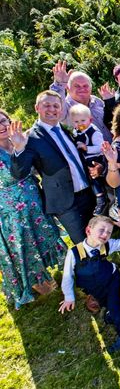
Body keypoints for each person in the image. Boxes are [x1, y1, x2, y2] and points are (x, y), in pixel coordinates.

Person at [0, 109, 66, 309]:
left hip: (35, 201)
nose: (2, 126)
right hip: (12, 212)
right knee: (25, 244)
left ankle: (50, 267)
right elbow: (8, 177)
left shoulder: (19, 140)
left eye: (4, 121)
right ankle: (37, 280)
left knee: (45, 235)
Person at [10, 90, 95, 243]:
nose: (52, 109)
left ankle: (102, 266)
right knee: (83, 245)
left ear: (61, 109)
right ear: (37, 108)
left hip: (88, 194)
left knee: (96, 238)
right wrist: (18, 149)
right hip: (65, 203)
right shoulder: (30, 138)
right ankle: (87, 266)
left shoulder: (66, 129)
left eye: (56, 106)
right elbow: (19, 173)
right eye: (46, 105)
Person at [59, 211, 120, 354]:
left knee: (115, 304)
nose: (105, 234)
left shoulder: (107, 245)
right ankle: (111, 313)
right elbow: (68, 276)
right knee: (104, 302)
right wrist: (69, 296)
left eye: (109, 232)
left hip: (111, 279)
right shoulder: (75, 252)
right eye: (101, 230)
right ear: (89, 230)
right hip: (92, 286)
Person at [50, 63, 111, 141]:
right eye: (77, 86)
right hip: (90, 152)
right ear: (68, 88)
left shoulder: (97, 101)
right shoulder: (65, 108)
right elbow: (54, 105)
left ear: (91, 88)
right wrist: (59, 84)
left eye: (85, 86)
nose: (82, 89)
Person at [69, 104, 107, 215]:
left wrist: (87, 148)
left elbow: (101, 147)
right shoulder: (78, 131)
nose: (80, 124)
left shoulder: (94, 132)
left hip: (95, 158)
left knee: (94, 178)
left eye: (82, 120)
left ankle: (101, 198)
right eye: (76, 122)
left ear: (90, 120)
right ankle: (95, 197)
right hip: (85, 159)